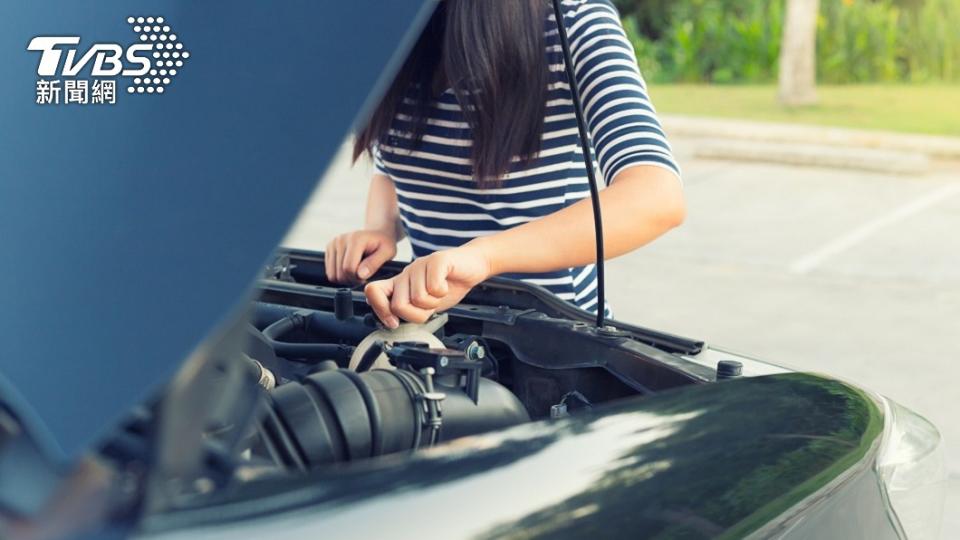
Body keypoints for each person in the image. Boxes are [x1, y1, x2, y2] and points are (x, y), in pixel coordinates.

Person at [326, 0, 685, 329]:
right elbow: (391, 164)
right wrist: (381, 229)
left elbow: (656, 196)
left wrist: (484, 258)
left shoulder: (576, 24)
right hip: (426, 331)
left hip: (547, 346)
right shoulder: (398, 30)